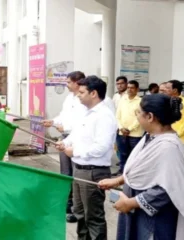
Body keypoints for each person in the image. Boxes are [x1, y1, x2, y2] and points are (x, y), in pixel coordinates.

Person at [99, 94, 184, 240]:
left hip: (153, 218)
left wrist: (131, 203)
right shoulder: (151, 137)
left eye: (138, 113)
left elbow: (168, 189)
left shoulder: (168, 147)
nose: (137, 116)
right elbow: (140, 169)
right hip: (135, 210)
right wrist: (119, 180)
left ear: (150, 116)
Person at [56, 75, 117, 239]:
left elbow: (101, 147)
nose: (78, 95)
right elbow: (76, 134)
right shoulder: (87, 113)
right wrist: (65, 143)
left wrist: (74, 152)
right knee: (80, 214)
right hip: (79, 169)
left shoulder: (104, 115)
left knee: (93, 217)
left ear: (94, 93)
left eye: (81, 92)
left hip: (93, 171)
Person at [42, 70, 86, 223]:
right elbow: (64, 115)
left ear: (77, 82)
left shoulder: (84, 100)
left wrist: (65, 127)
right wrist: (53, 122)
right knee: (65, 173)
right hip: (66, 138)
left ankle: (76, 207)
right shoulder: (69, 98)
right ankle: (67, 204)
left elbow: (81, 122)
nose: (66, 85)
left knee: (76, 174)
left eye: (68, 82)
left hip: (76, 140)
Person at [113, 80, 144, 175]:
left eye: (132, 88)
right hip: (122, 132)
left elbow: (140, 117)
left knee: (134, 154)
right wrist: (121, 127)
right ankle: (122, 171)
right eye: (128, 87)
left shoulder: (141, 101)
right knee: (123, 153)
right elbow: (117, 116)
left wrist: (129, 129)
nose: (129, 90)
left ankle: (132, 173)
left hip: (135, 133)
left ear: (137, 89)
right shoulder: (123, 100)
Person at [165, 80, 184, 145]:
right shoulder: (168, 101)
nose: (165, 89)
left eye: (167, 88)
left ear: (175, 90)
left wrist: (176, 135)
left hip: (177, 139)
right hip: (166, 137)